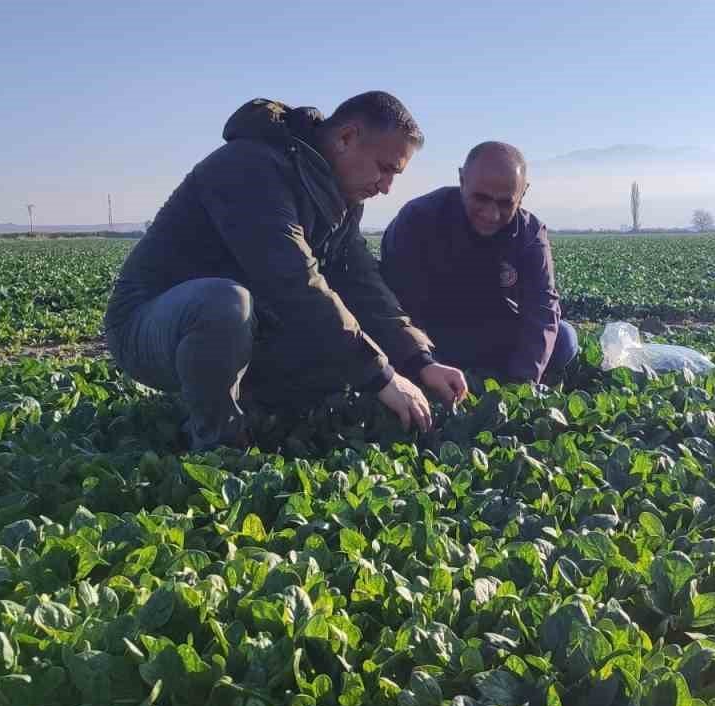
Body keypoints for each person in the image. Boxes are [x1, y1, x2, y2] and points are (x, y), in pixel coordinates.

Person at [103, 92, 467, 451]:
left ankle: (258, 409)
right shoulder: (250, 167)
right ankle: (219, 445)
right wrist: (382, 376)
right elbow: (292, 282)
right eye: (385, 168)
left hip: (250, 324)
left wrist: (420, 362)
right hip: (149, 327)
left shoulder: (341, 197)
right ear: (346, 138)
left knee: (332, 353)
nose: (387, 187)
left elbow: (363, 285)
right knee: (226, 303)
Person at [379, 141, 577, 385]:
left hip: (489, 333)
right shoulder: (418, 218)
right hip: (431, 332)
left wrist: (521, 384)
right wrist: (423, 363)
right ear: (462, 181)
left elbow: (542, 307)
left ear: (522, 193)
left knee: (565, 338)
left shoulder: (530, 234)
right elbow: (394, 305)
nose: (491, 214)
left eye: (505, 203)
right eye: (480, 199)